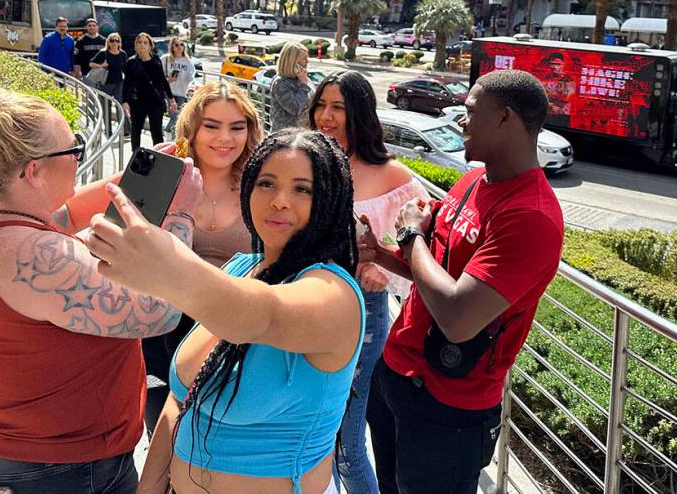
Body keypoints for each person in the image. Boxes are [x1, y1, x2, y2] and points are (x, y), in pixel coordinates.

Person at [0, 82, 202, 494]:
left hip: (1, 453)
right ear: (33, 170)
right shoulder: (36, 255)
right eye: (72, 150)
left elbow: (60, 213)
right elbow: (160, 312)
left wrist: (137, 177)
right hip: (65, 470)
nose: (78, 157)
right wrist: (181, 213)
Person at [88, 129, 365, 494]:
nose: (279, 200)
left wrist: (168, 268)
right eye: (266, 183)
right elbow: (179, 403)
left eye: (303, 189)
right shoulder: (238, 268)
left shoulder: (335, 295)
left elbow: (259, 315)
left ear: (332, 200)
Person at [359, 70, 565, 494]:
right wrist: (377, 253)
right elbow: (433, 272)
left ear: (506, 118)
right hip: (397, 372)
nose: (461, 123)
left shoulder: (531, 217)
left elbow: (456, 317)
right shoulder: (474, 180)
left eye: (471, 112)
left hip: (448, 409)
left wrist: (410, 234)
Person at [306, 71, 427, 494]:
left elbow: (422, 242)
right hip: (306, 307)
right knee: (315, 437)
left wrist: (384, 267)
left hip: (364, 315)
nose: (326, 116)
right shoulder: (307, 160)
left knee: (346, 443)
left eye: (337, 107)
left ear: (358, 113)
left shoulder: (391, 174)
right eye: (321, 105)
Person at [141, 81, 264, 434]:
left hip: (233, 336)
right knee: (164, 436)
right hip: (161, 333)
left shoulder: (261, 185)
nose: (225, 138)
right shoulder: (164, 176)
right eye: (212, 126)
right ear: (191, 129)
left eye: (237, 127)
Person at [122, 32, 178, 152]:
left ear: (150, 46)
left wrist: (171, 99)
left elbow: (163, 80)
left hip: (155, 101)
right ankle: (135, 158)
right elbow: (127, 83)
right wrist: (124, 101)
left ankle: (159, 157)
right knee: (136, 131)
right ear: (136, 45)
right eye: (139, 42)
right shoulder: (131, 62)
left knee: (157, 131)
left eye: (145, 42)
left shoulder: (156, 60)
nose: (142, 45)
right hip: (137, 102)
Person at [270, 41, 312, 131]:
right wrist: (304, 85)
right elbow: (295, 108)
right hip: (284, 137)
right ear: (293, 62)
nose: (307, 61)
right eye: (304, 59)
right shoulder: (280, 83)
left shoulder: (301, 77)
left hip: (302, 133)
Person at [160, 37, 195, 141]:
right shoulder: (165, 59)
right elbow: (158, 75)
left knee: (177, 117)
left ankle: (168, 133)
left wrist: (190, 86)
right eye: (177, 45)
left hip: (181, 92)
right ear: (172, 47)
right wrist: (168, 79)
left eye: (182, 44)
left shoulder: (187, 61)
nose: (179, 47)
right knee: (175, 116)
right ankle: (172, 139)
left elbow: (192, 76)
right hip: (168, 91)